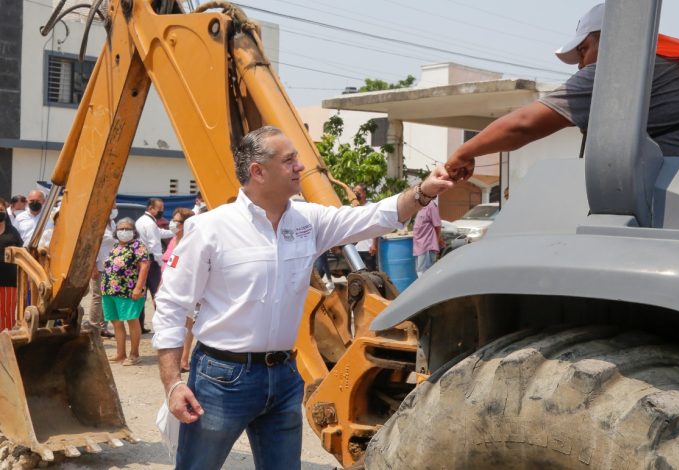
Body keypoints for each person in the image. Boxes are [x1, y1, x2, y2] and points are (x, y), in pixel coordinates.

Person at [152, 126, 453, 470]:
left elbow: (373, 217)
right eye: (289, 160)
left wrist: (424, 191)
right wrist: (173, 384)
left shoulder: (308, 220)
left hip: (284, 377)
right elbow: (171, 306)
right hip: (222, 379)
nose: (300, 167)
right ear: (258, 171)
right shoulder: (210, 228)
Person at [445, 3, 679, 181]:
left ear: (609, 37)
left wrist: (463, 153)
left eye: (583, 51)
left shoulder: (626, 62)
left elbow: (523, 125)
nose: (582, 65)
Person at [102, 218, 150, 366]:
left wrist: (138, 287)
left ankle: (134, 354)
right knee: (116, 322)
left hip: (128, 291)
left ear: (134, 231)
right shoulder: (116, 246)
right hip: (110, 291)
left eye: (127, 228)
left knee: (131, 320)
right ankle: (120, 354)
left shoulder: (137, 246)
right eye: (121, 229)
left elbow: (144, 266)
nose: (124, 231)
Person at [160, 207, 196, 372]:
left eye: (177, 221)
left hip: (186, 288)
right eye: (173, 220)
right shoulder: (173, 240)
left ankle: (183, 359)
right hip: (169, 287)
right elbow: (168, 264)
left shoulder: (192, 242)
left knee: (187, 324)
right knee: (171, 324)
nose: (173, 224)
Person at [135, 198, 174, 334]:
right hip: (151, 262)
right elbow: (155, 245)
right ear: (151, 208)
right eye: (160, 208)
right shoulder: (149, 223)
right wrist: (161, 263)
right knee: (158, 293)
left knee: (141, 294)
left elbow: (160, 233)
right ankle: (161, 325)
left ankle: (139, 326)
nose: (162, 211)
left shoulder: (143, 220)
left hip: (141, 260)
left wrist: (174, 231)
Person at [85, 202, 118, 338]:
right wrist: (93, 267)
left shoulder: (113, 223)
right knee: (98, 297)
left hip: (112, 267)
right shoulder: (98, 224)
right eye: (113, 207)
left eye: (115, 207)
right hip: (99, 267)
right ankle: (93, 326)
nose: (115, 209)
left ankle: (103, 327)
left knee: (108, 297)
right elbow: (92, 247)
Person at [0, 198, 23, 331]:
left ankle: (5, 339)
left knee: (7, 313)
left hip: (9, 280)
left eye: (1, 210)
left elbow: (21, 253)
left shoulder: (12, 232)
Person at [413, 197, 444, 277]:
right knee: (419, 269)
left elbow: (437, 225)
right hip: (419, 244)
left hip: (427, 244)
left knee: (424, 271)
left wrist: (437, 240)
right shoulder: (421, 205)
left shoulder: (431, 206)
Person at [352, 183, 378, 271]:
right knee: (358, 273)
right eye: (354, 192)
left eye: (358, 192)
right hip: (356, 248)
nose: (356, 194)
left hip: (368, 247)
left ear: (364, 193)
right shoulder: (354, 208)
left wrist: (374, 244)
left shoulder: (371, 207)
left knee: (371, 273)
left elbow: (375, 225)